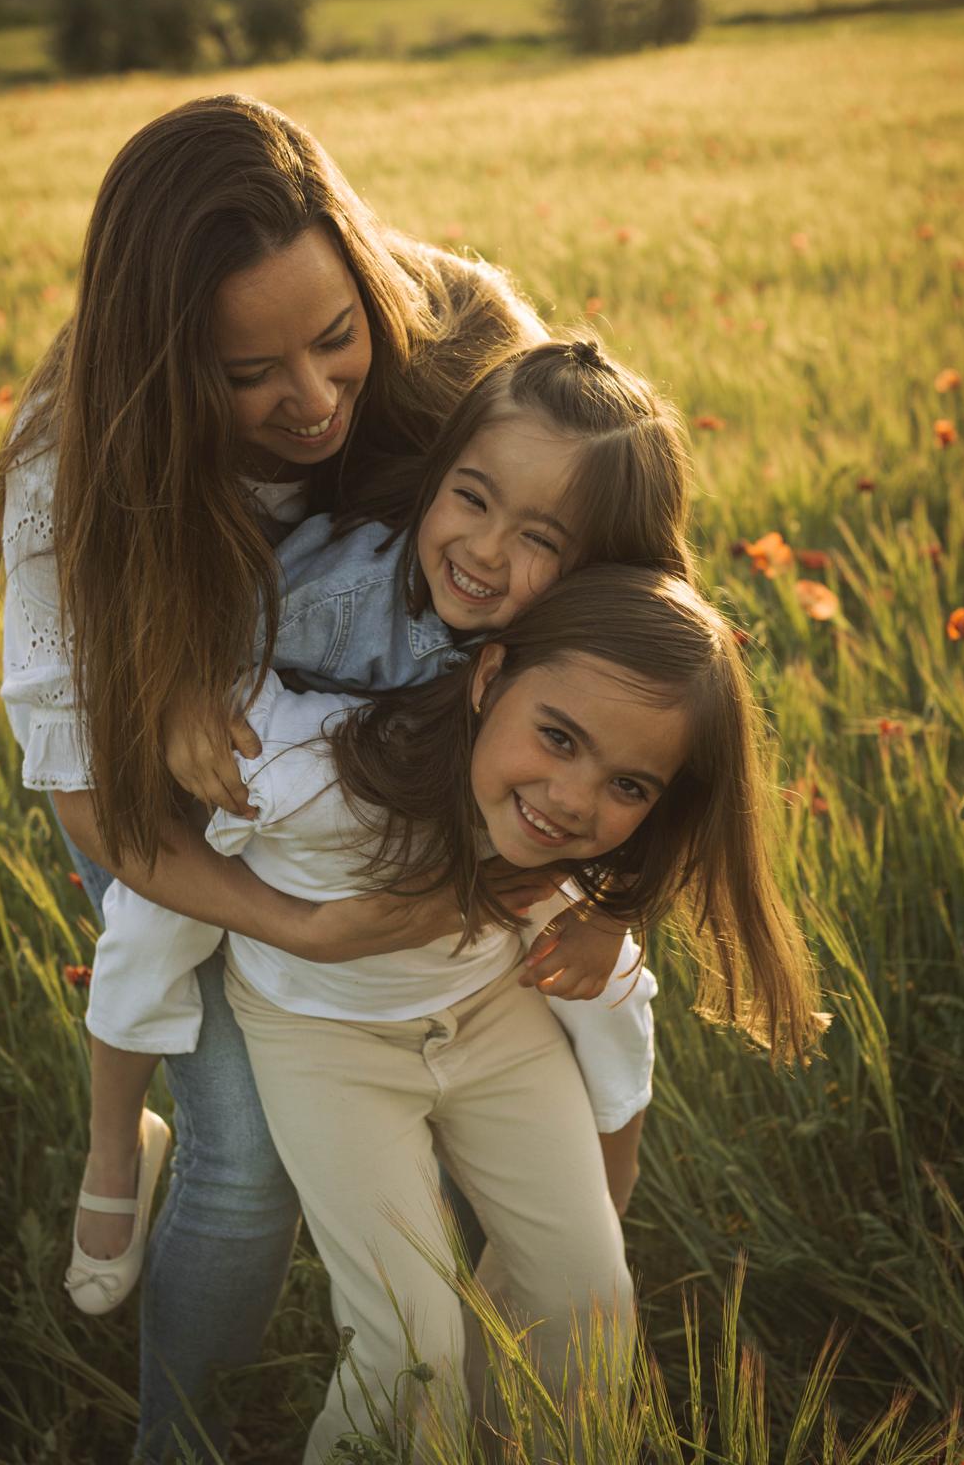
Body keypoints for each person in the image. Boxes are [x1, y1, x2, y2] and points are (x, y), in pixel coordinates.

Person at [0, 93, 623, 1461]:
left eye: (338, 340)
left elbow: (614, 596)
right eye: (247, 376)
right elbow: (87, 796)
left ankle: (479, 1399)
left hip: (385, 772)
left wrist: (598, 878)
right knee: (246, 1162)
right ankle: (181, 1438)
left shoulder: (458, 328)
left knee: (481, 1067)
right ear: (164, 372)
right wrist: (296, 924)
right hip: (173, 804)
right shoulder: (72, 460)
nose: (317, 398)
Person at [75, 335, 694, 1315]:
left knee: (612, 993)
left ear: (601, 570)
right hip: (256, 808)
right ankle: (115, 1137)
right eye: (473, 498)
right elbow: (193, 625)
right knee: (155, 927)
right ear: (438, 477)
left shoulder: (597, 656)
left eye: (542, 540)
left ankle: (599, 1204)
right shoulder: (335, 596)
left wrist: (614, 915)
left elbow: (667, 787)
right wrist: (187, 692)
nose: (487, 551)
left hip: (483, 838)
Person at [181, 564, 819, 1461]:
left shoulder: (584, 886)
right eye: (557, 737)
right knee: (412, 1350)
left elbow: (630, 967)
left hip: (495, 1015)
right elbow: (152, 848)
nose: (571, 800)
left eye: (628, 786)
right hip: (323, 1038)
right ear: (487, 678)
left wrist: (612, 914)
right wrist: (184, 703)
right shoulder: (318, 772)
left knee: (586, 1298)